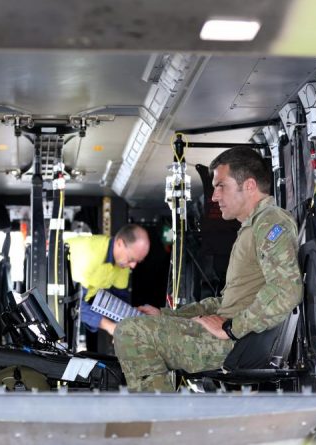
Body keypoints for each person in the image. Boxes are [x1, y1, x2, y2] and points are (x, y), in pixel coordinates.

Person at [114, 147, 302, 392]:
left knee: (131, 332)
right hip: (231, 337)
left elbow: (286, 289)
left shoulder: (270, 222)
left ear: (249, 185)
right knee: (135, 326)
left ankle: (161, 421)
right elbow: (226, 302)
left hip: (236, 345)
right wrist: (169, 315)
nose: (214, 197)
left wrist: (231, 329)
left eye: (221, 186)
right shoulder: (252, 227)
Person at [65, 224, 150, 336]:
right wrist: (110, 327)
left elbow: (120, 299)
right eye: (132, 259)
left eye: (137, 261)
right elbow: (76, 304)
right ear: (119, 243)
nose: (133, 266)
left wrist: (131, 323)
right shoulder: (89, 256)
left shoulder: (122, 262)